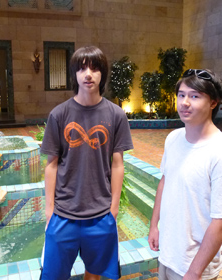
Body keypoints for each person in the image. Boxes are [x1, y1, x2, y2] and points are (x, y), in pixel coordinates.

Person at [39, 46, 133, 280]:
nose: (88, 74)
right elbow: (51, 165)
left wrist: (113, 208)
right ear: (75, 75)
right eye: (81, 69)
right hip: (63, 214)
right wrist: (50, 209)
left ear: (103, 74)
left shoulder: (116, 115)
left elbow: (117, 164)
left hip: (100, 215)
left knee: (95, 273)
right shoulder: (59, 114)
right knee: (53, 275)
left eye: (94, 68)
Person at [148, 69, 222, 280]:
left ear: (213, 102)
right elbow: (165, 182)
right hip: (168, 252)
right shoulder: (173, 139)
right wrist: (154, 225)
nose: (185, 102)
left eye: (194, 96)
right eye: (181, 95)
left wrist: (194, 272)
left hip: (195, 265)